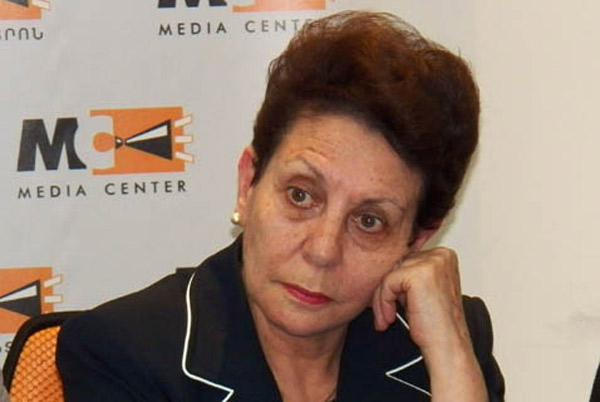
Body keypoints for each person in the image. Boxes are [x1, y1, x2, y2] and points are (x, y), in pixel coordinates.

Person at [57, 11, 505, 401]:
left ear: (415, 241)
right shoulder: (124, 353)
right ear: (248, 184)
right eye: (301, 195)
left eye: (369, 221)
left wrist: (452, 360)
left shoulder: (446, 341)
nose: (323, 250)